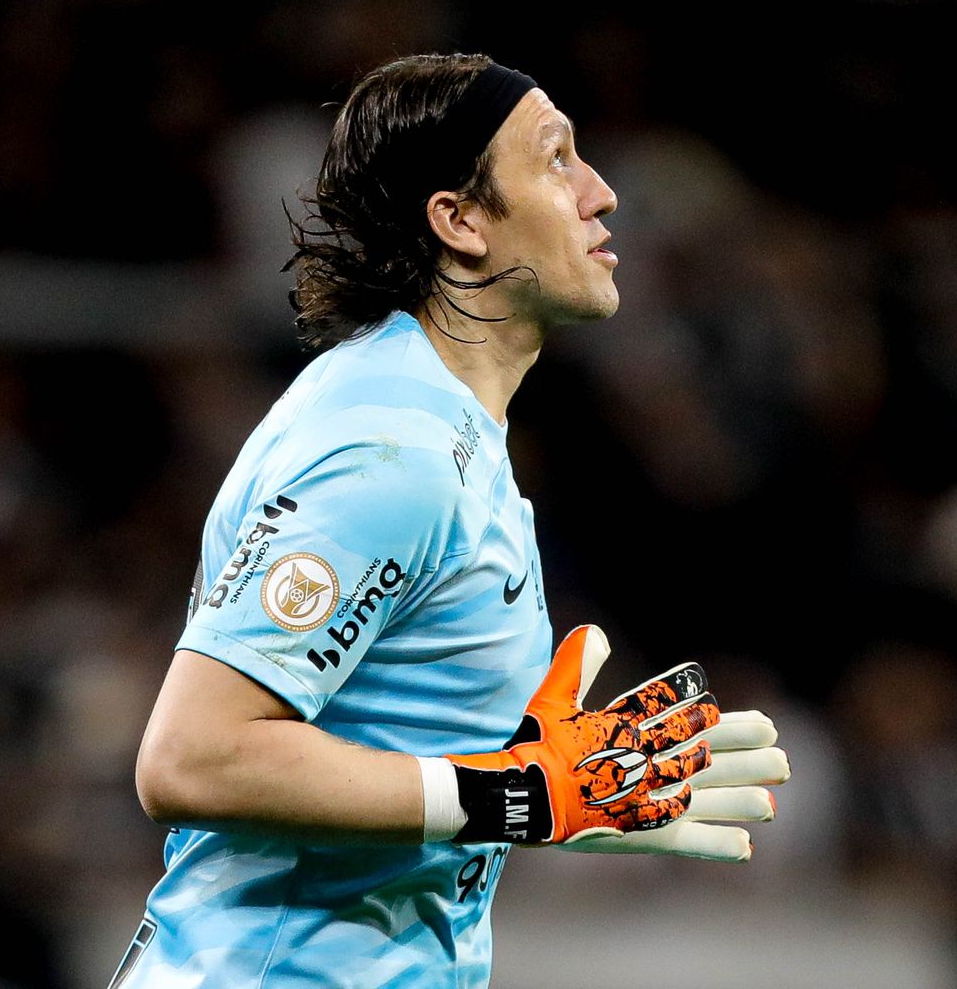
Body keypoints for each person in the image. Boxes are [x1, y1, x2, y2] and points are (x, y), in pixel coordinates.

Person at [117, 53, 787, 989]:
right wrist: (518, 794)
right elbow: (193, 758)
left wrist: (559, 791)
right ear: (461, 220)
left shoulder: (441, 425)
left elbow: (399, 760)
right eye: (557, 159)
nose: (602, 194)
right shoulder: (391, 454)